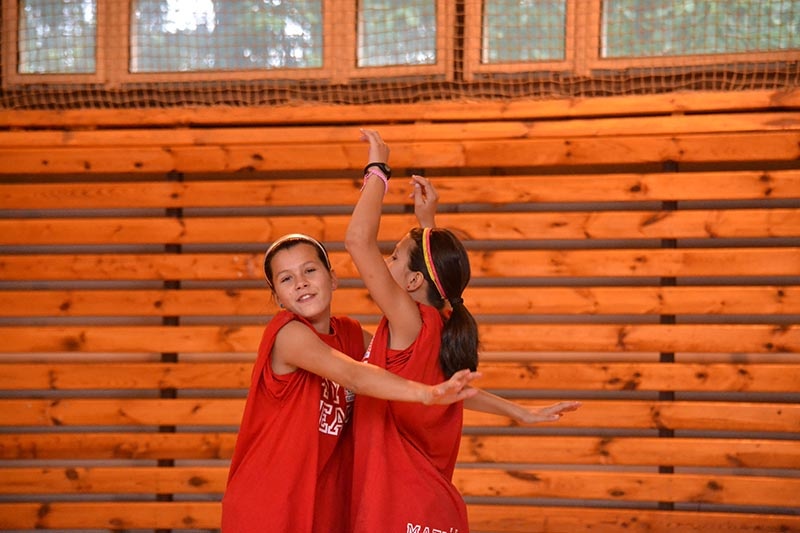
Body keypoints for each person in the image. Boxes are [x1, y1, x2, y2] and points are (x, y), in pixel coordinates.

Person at [344, 129, 580, 533]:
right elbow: (458, 392)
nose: (386, 262)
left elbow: (357, 241)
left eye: (394, 257)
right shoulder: (443, 323)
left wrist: (377, 170)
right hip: (431, 510)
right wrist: (520, 412)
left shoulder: (409, 322)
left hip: (400, 510)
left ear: (414, 282)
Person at [221, 233, 481, 533]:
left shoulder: (350, 335)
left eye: (309, 270)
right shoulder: (287, 335)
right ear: (278, 297)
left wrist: (512, 410)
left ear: (333, 279)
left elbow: (415, 371)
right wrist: (428, 393)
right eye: (286, 279)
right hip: (266, 503)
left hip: (320, 502)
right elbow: (354, 376)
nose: (301, 283)